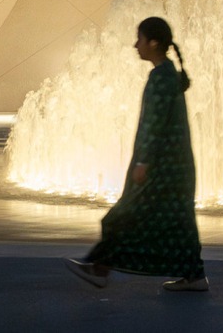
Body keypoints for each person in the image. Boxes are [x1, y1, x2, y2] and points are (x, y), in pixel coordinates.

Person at [65, 16, 207, 292]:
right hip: (175, 168)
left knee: (124, 216)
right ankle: (194, 274)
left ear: (153, 43)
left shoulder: (161, 79)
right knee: (178, 222)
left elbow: (154, 123)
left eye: (139, 39)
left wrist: (143, 162)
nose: (135, 45)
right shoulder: (167, 76)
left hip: (162, 169)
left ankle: (100, 268)